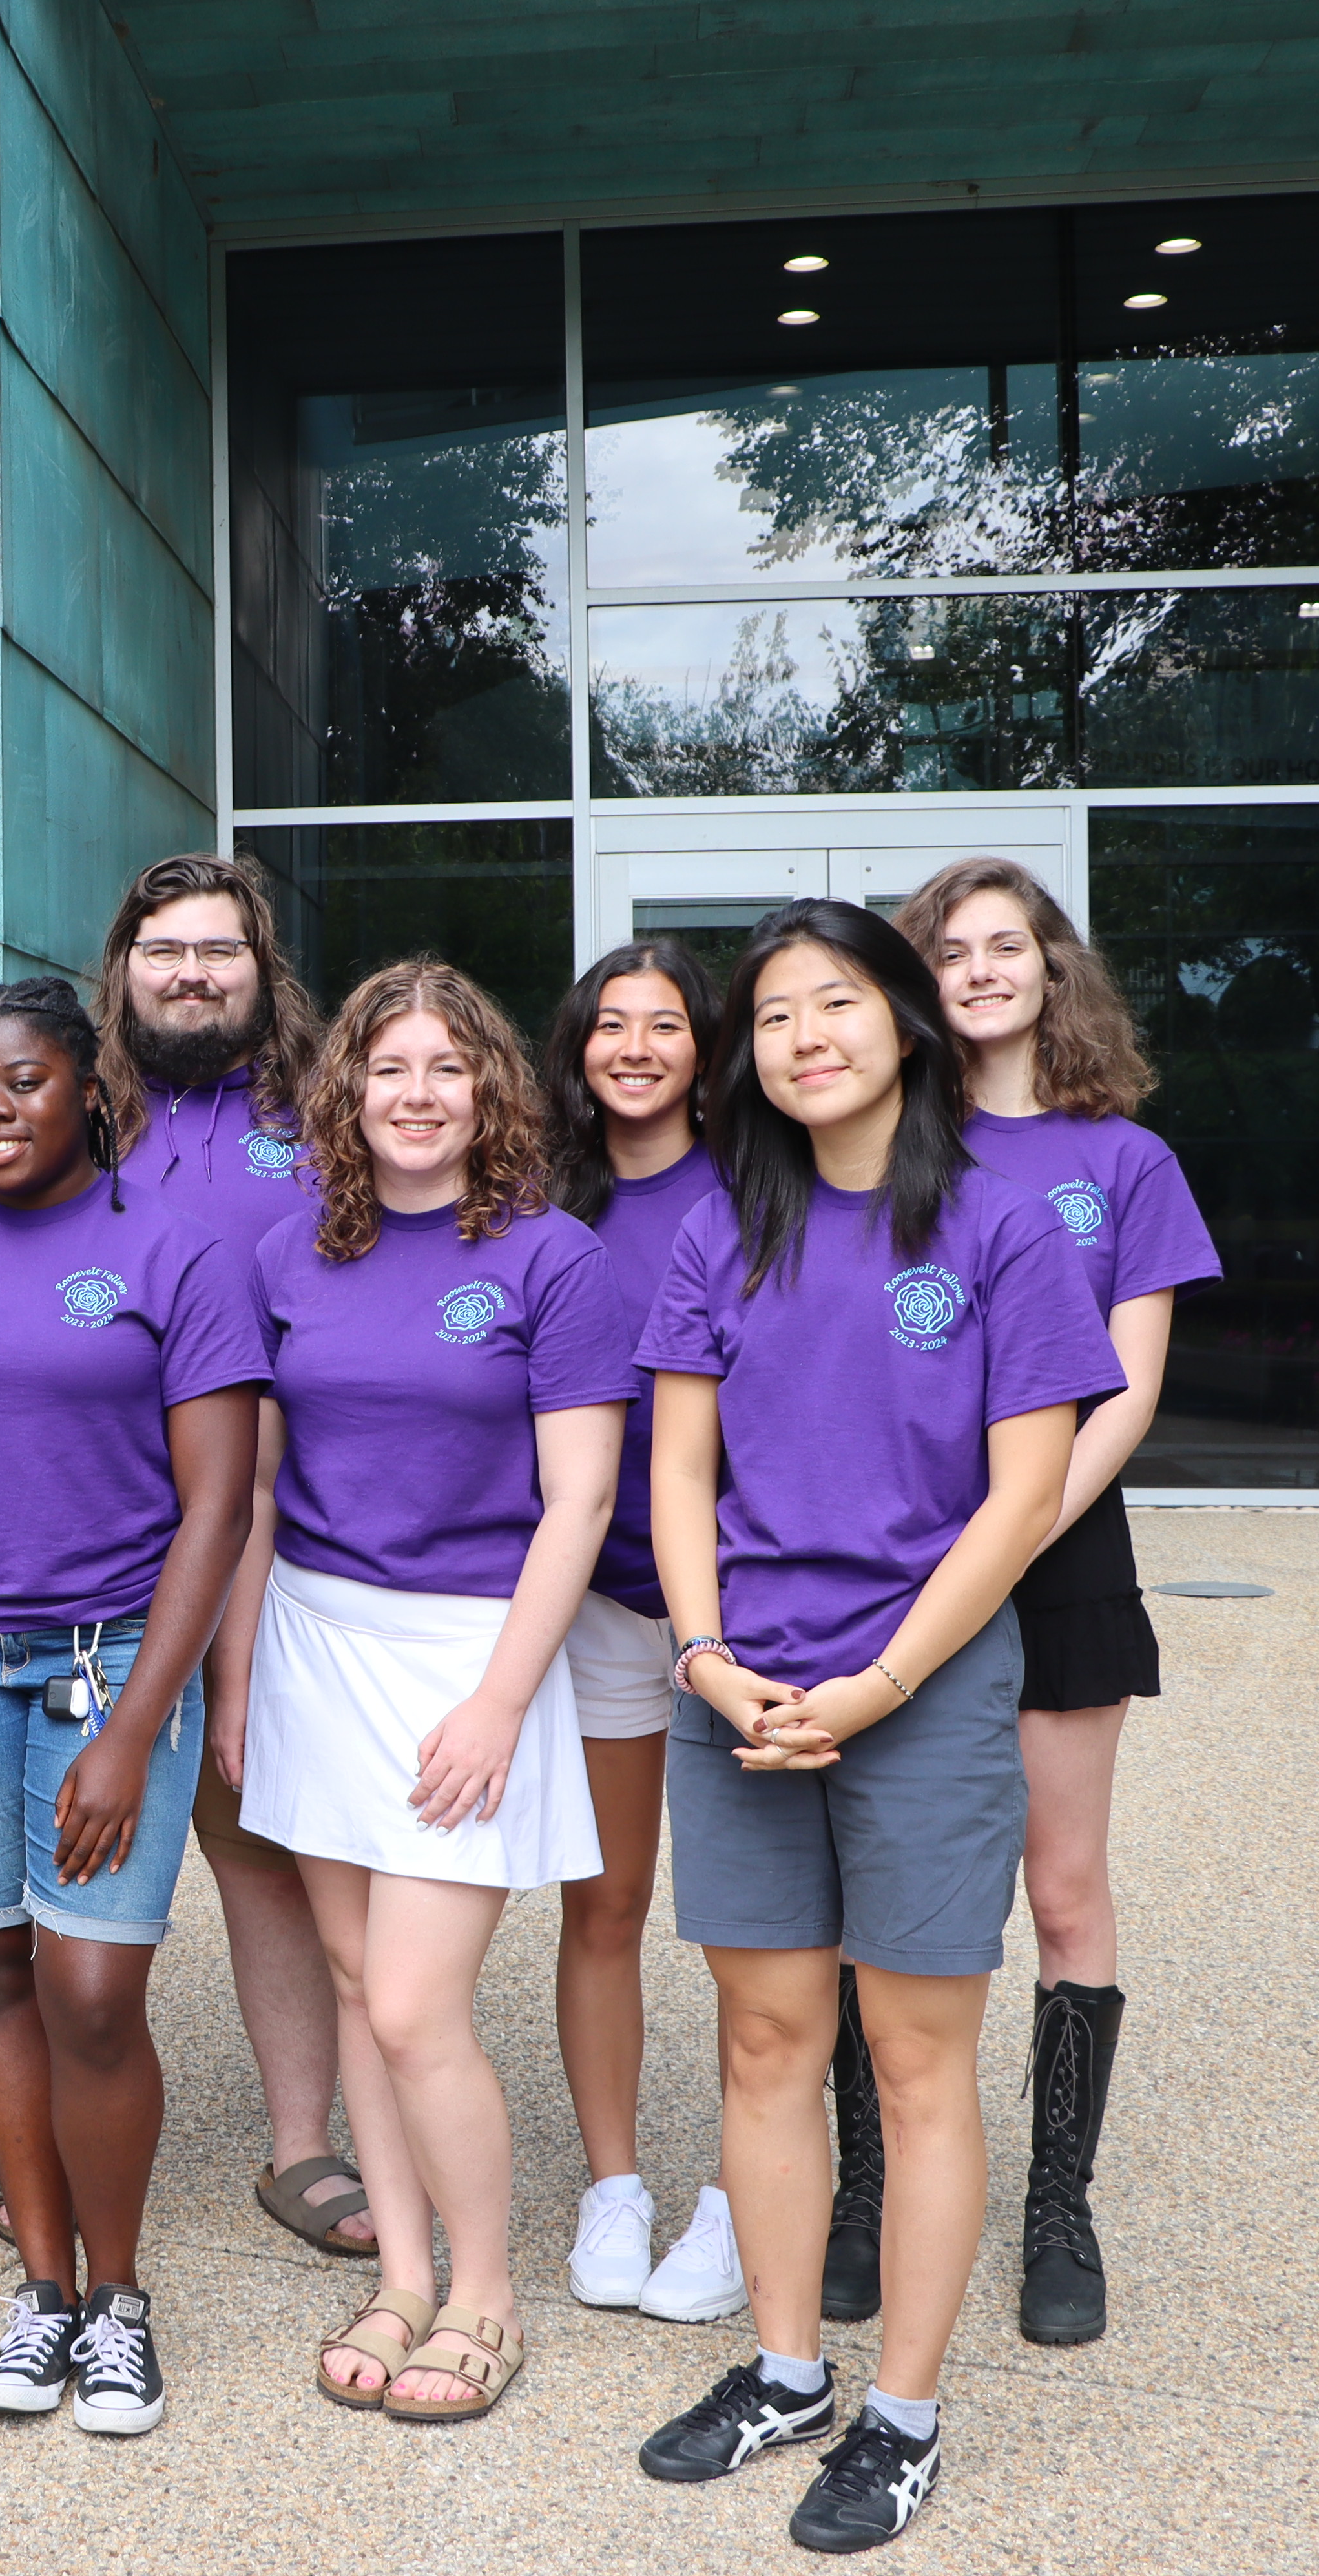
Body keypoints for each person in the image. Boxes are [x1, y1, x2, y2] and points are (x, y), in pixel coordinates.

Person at [631, 899, 1123, 2553]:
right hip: (742, 1688)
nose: (803, 1036)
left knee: (916, 2066)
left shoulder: (1000, 1230)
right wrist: (702, 1656)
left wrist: (886, 1683)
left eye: (835, 1002)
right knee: (767, 2041)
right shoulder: (722, 1234)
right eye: (771, 1016)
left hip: (919, 1689)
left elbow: (1026, 1491)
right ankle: (786, 2368)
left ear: (905, 1023)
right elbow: (679, 1468)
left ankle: (902, 2409)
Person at [0, 975, 265, 2438]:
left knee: (93, 1986)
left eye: (21, 1081)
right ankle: (44, 2290)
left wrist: (139, 1725)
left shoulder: (179, 1253)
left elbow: (217, 1506)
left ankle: (121, 2301)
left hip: (110, 1652)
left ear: (87, 1090)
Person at [234, 962, 633, 2424]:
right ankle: (402, 2272)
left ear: (491, 1093)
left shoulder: (551, 1259)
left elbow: (579, 1503)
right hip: (313, 1642)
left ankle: (488, 2293)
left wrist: (499, 1702)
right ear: (345, 1090)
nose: (415, 1092)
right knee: (352, 1982)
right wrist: (239, 1676)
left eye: (446, 1067)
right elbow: (262, 1492)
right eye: (387, 1065)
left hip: (472, 1653)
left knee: (415, 2002)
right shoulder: (291, 1254)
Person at [899, 856, 1217, 2348]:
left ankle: (1056, 2208)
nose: (977, 970)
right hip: (886, 1538)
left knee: (1065, 1885)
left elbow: (1130, 1383)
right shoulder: (887, 1141)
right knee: (882, 1881)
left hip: (1062, 1542)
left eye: (1003, 946)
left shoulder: (1124, 1159)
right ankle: (860, 2189)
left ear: (1051, 967)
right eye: (949, 950)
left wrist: (1015, 1528)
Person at [89, 851, 369, 2265]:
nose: (190, 973)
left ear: (266, 974)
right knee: (83, 1841)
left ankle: (306, 2139)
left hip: (293, 1542)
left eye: (219, 952)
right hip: (91, 1550)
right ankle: (72, 2128)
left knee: (270, 1844)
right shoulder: (75, 1114)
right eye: (163, 952)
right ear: (122, 970)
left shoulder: (330, 1119)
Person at [537, 940, 746, 2324]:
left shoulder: (757, 1190)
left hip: (738, 1609)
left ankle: (742, 2197)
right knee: (603, 1905)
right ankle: (615, 2184)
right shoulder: (547, 1195)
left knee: (750, 1931)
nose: (633, 1044)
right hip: (598, 1603)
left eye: (663, 1024)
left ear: (703, 1048)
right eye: (610, 1023)